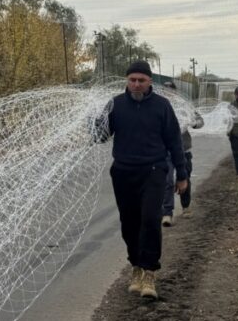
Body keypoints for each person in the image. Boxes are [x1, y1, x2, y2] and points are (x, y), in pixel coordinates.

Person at [92, 60, 187, 300]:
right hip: (123, 172)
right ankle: (136, 266)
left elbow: (174, 141)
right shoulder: (115, 105)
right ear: (127, 81)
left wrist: (182, 174)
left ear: (149, 81)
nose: (136, 84)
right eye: (132, 80)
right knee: (129, 222)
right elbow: (101, 137)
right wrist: (93, 123)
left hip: (153, 171)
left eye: (141, 80)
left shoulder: (162, 106)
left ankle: (149, 272)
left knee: (150, 220)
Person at [161, 80, 203, 224]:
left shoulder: (184, 106)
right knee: (167, 181)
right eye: (165, 91)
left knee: (185, 178)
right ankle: (167, 213)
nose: (168, 93)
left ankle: (186, 206)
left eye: (171, 90)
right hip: (165, 151)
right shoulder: (159, 106)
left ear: (175, 92)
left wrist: (194, 122)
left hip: (183, 149)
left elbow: (200, 120)